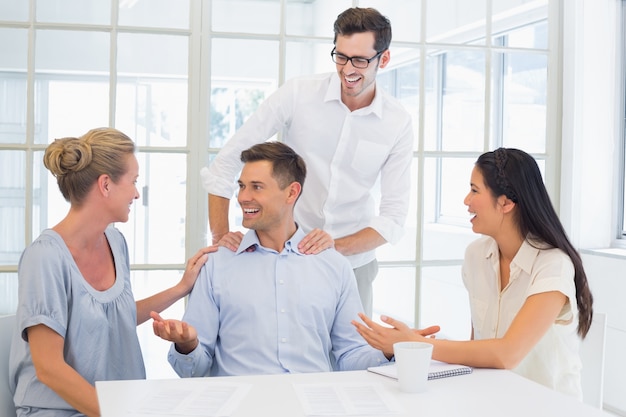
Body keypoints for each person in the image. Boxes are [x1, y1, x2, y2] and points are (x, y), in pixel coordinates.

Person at [151, 142, 436, 377]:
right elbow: (194, 369)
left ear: (292, 192)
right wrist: (187, 345)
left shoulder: (333, 266)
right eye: (241, 186)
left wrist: (392, 349)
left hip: (313, 405)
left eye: (256, 187)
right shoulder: (217, 265)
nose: (242, 197)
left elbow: (350, 356)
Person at [201, 7, 414, 316]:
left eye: (360, 60)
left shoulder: (397, 122)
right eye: (340, 56)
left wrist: (333, 246)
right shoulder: (298, 94)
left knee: (349, 361)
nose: (348, 69)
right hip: (282, 257)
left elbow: (393, 217)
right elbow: (226, 164)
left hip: (353, 265)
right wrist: (221, 239)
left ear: (384, 59)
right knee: (282, 357)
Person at [352, 148, 594, 399]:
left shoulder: (552, 264)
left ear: (506, 203)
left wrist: (414, 345)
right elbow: (478, 347)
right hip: (491, 401)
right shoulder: (476, 256)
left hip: (547, 407)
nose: (466, 201)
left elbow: (506, 354)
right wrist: (410, 342)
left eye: (475, 190)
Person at [8, 127, 214, 417]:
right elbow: (48, 368)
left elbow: (114, 316)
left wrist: (181, 287)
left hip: (114, 405)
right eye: (133, 181)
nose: (136, 194)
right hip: (60, 410)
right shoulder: (45, 257)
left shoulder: (115, 242)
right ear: (105, 185)